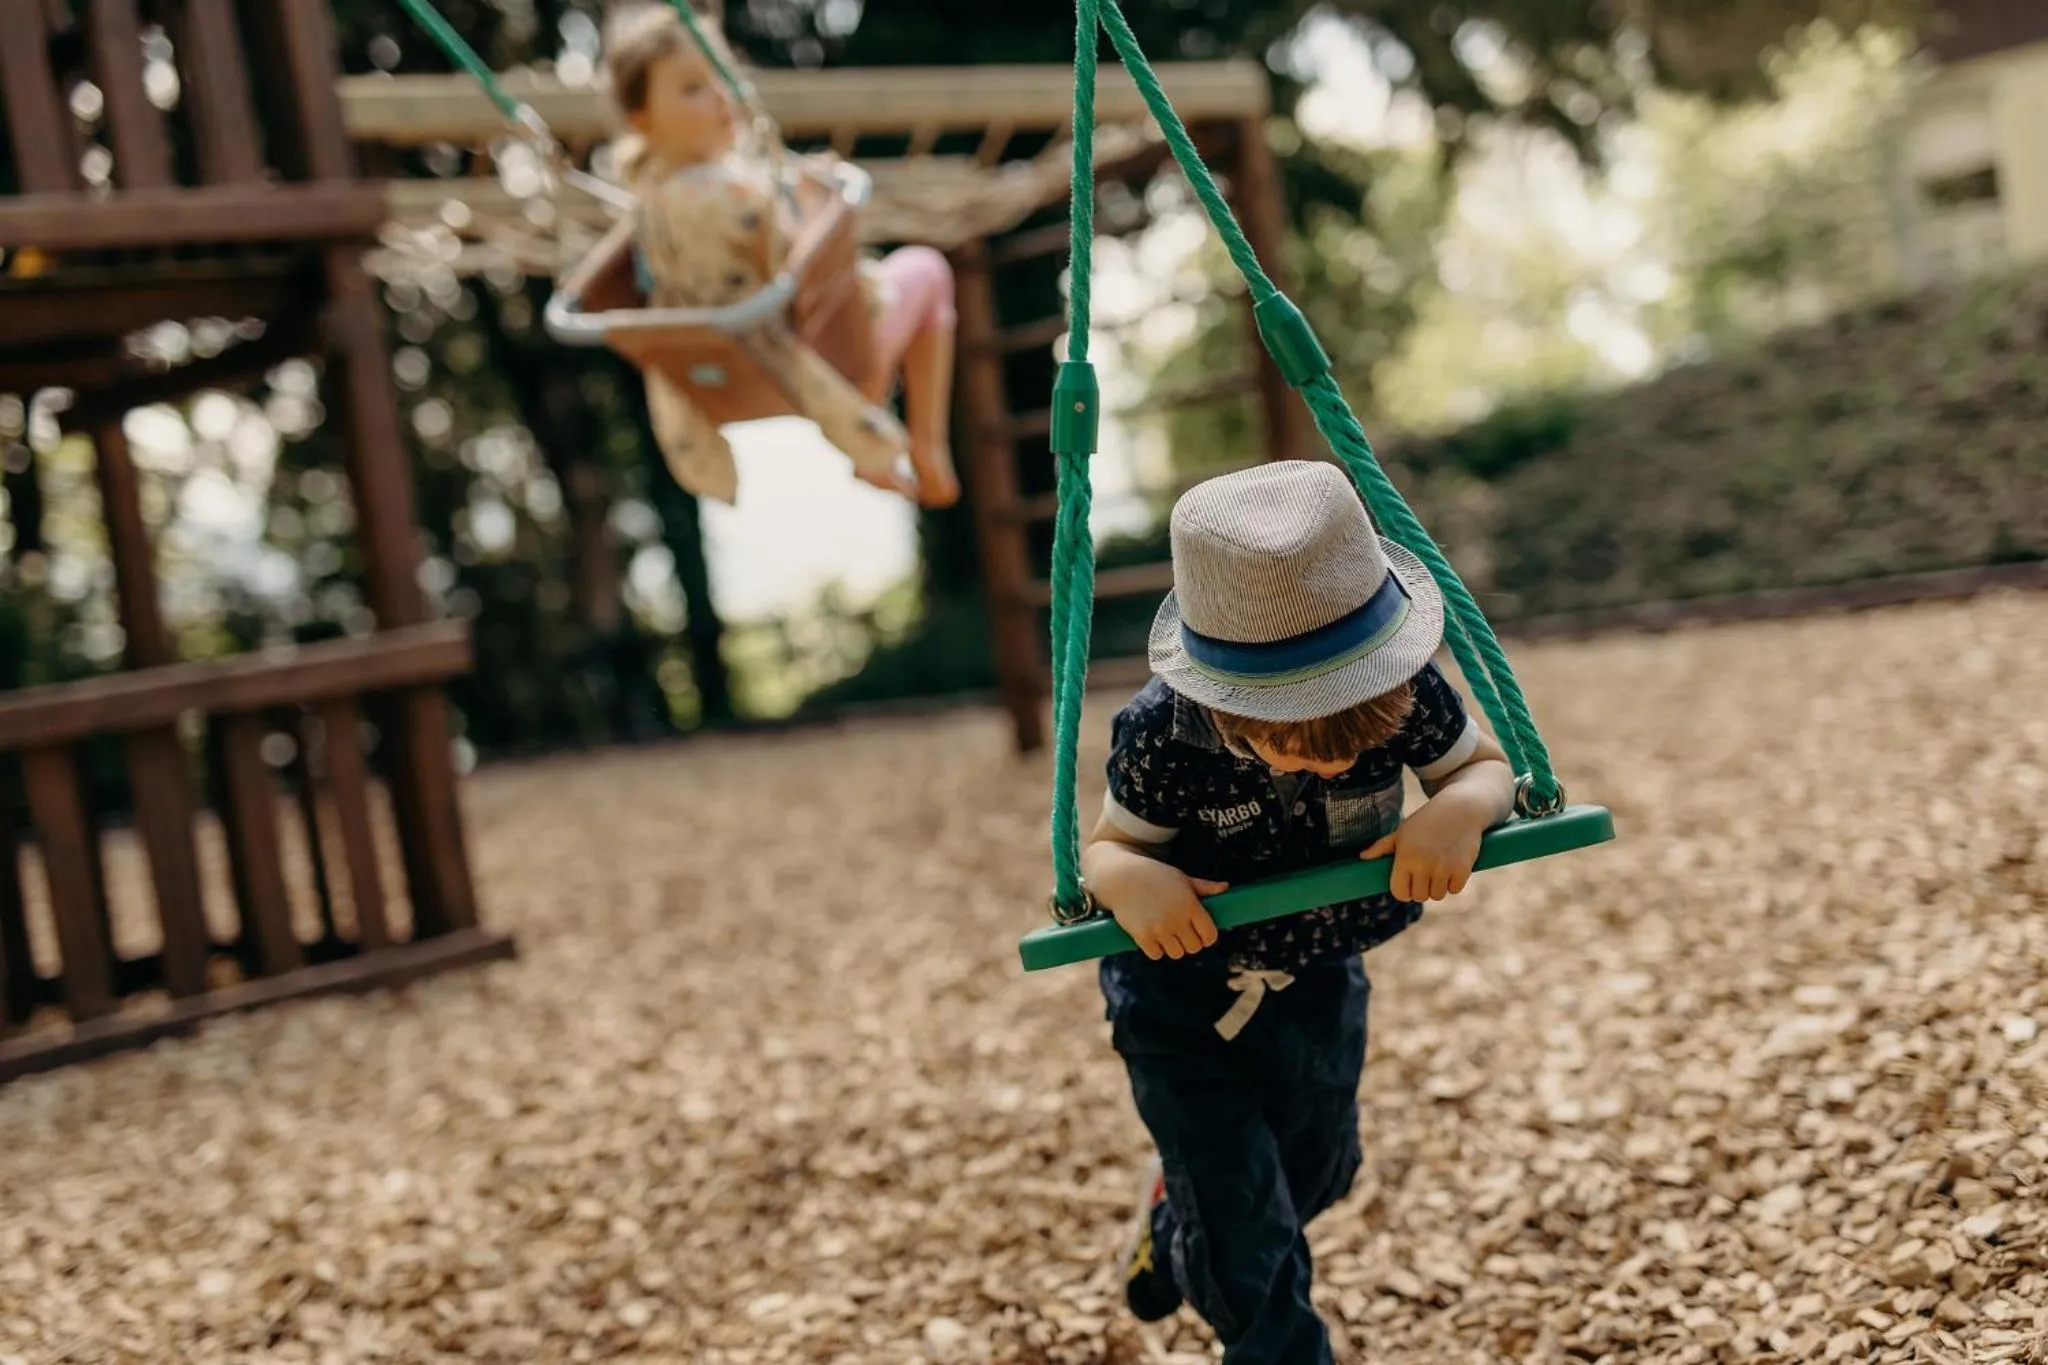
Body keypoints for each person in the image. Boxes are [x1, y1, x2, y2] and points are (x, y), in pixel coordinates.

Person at [1082, 460, 1516, 1363]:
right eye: (1287, 739)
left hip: (1316, 970)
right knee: (1248, 1226)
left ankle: (1176, 1222)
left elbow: (1484, 768)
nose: (1323, 761)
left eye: (1351, 736)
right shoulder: (1165, 734)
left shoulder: (1405, 689)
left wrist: (1458, 810)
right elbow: (1105, 851)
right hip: (1180, 994)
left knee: (1317, 1171)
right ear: (1221, 697)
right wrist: (1131, 880)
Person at [606, 2, 960, 508]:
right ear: (641, 117)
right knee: (927, 269)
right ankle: (924, 441)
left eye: (721, 79)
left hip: (726, 375)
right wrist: (820, 194)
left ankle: (879, 429)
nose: (720, 98)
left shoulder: (646, 202)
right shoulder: (732, 194)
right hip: (807, 362)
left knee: (884, 283)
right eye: (692, 88)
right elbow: (797, 251)